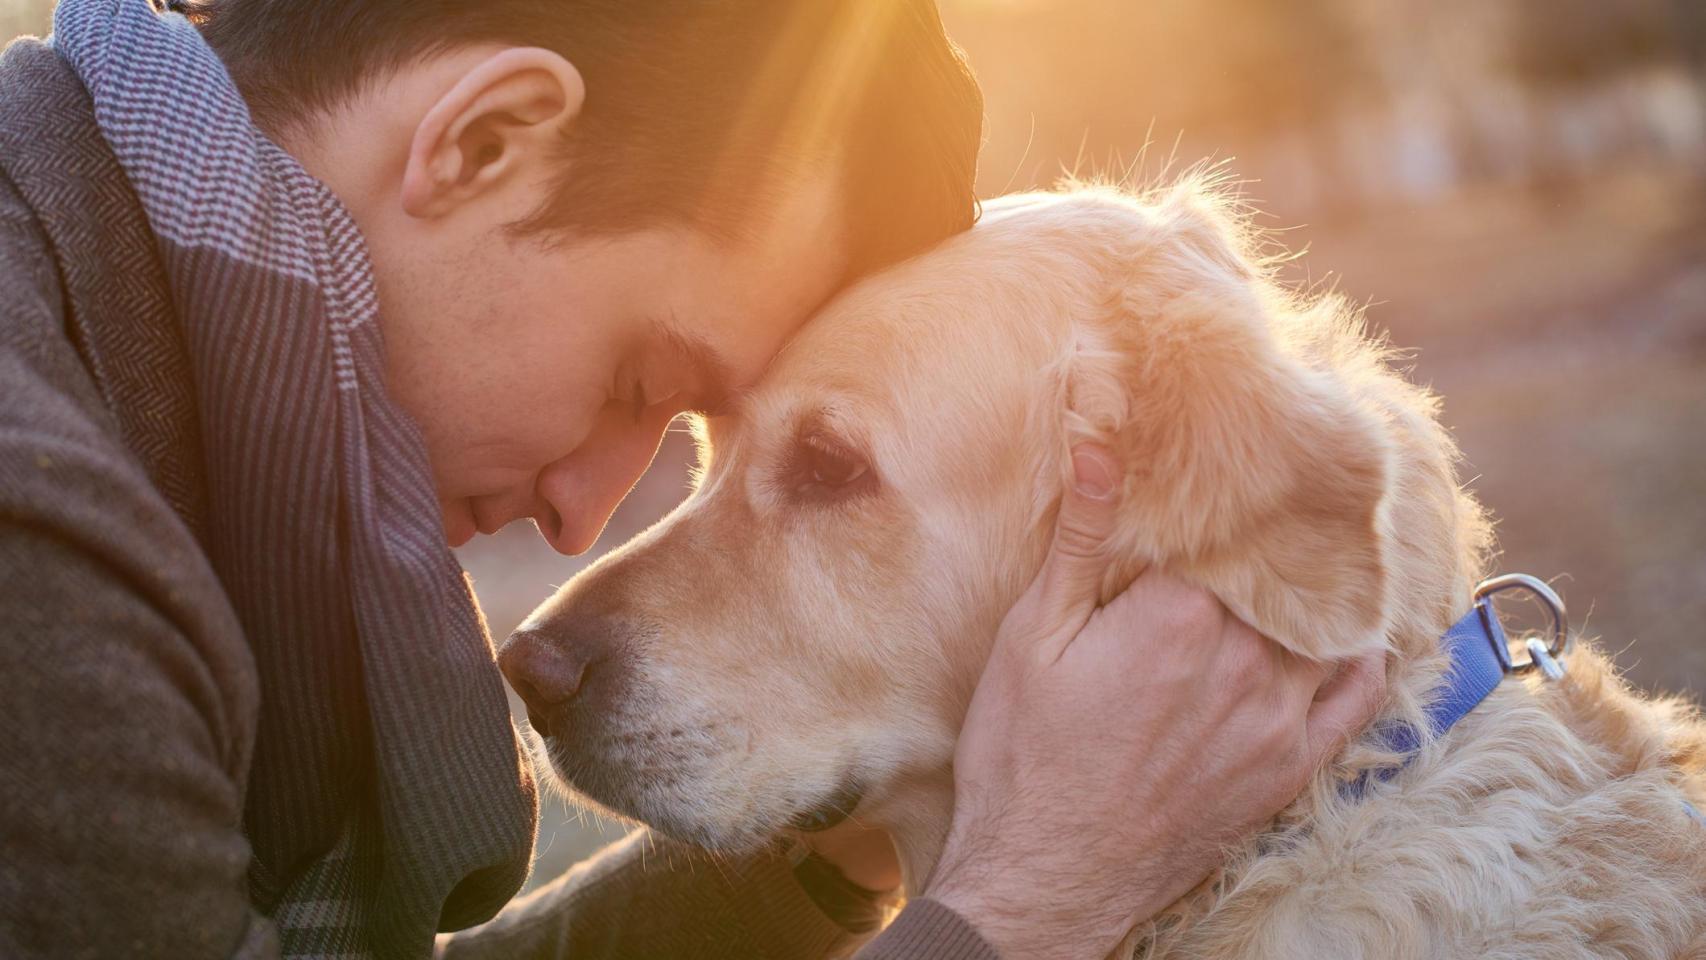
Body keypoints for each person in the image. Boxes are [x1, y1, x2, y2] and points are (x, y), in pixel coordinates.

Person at [0, 0, 1386, 957]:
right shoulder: (36, 543)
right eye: (636, 385)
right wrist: (1027, 906)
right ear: (482, 143)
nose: (583, 514)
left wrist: (849, 830)